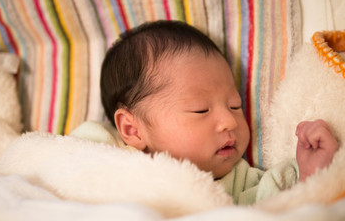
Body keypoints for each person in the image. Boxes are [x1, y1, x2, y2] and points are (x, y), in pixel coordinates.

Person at [96, 20, 338, 204]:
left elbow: (283, 208)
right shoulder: (101, 152)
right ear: (131, 129)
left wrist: (312, 173)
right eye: (201, 110)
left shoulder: (241, 184)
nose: (228, 122)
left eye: (235, 105)